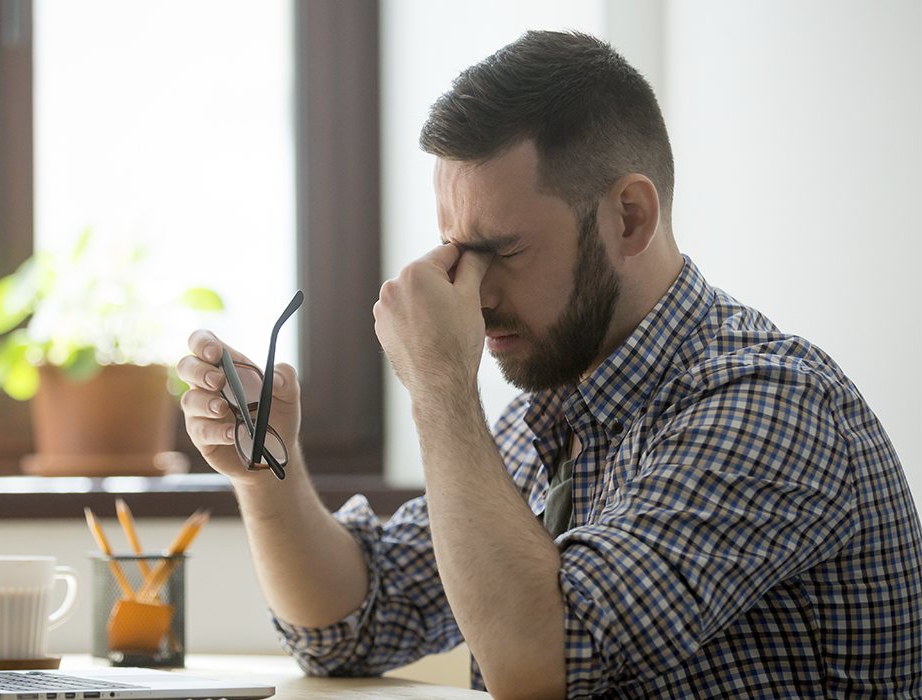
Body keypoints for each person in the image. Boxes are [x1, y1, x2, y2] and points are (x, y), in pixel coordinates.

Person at [176, 30, 922, 699]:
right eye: (456, 252)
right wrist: (262, 472)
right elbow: (353, 624)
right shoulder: (553, 409)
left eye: (500, 251)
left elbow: (544, 668)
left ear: (630, 217)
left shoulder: (768, 405)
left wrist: (440, 385)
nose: (471, 293)